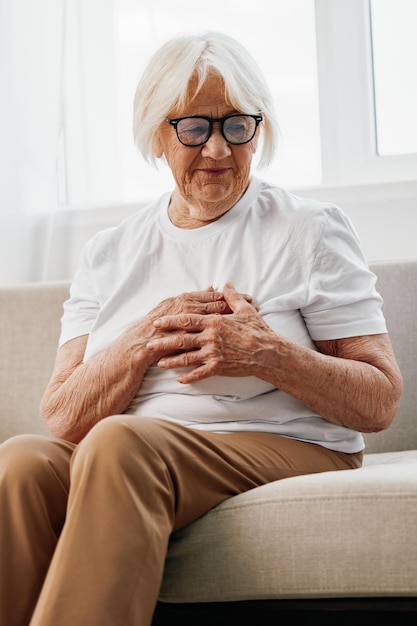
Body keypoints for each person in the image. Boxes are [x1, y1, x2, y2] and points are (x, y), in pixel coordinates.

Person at [0, 31, 403, 626]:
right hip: (145, 451)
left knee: (118, 443)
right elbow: (62, 415)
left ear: (258, 131)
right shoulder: (110, 253)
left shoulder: (308, 230)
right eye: (194, 127)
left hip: (287, 444)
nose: (217, 150)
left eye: (237, 126)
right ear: (157, 134)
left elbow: (380, 399)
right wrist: (142, 339)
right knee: (23, 463)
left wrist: (266, 354)